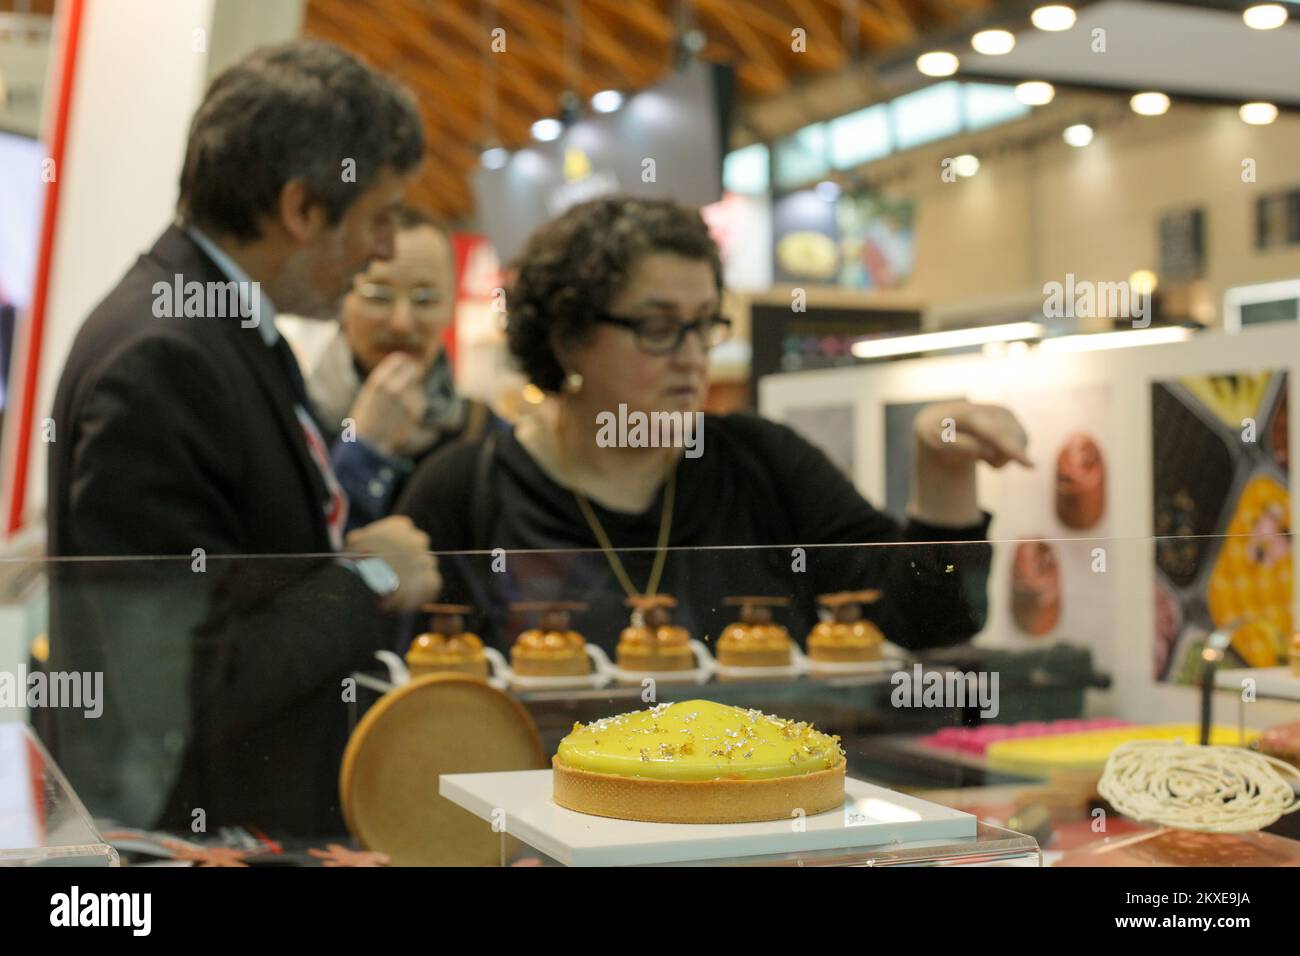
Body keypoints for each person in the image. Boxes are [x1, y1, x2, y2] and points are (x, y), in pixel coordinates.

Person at [43, 40, 439, 836]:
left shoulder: (212, 326)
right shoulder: (164, 356)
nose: (386, 249)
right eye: (382, 217)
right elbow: (181, 687)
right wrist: (365, 577)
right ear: (300, 209)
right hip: (185, 834)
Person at [397, 196, 1031, 651]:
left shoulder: (762, 464)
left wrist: (943, 472)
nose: (693, 356)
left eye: (703, 324)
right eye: (657, 327)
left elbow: (929, 620)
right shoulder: (467, 490)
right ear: (567, 338)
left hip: (753, 823)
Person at [305, 207, 496, 532]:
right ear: (342, 299)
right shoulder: (298, 418)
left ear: (450, 306)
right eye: (379, 296)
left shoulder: (485, 432)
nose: (402, 322)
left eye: (425, 300)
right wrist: (363, 444)